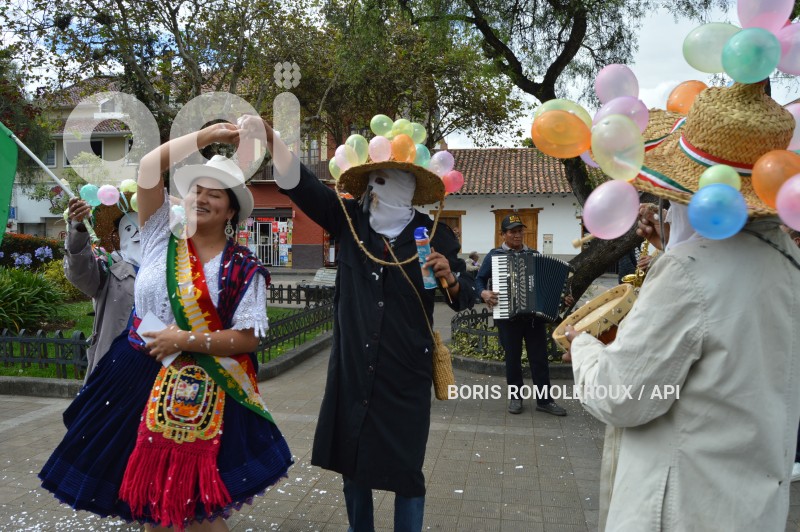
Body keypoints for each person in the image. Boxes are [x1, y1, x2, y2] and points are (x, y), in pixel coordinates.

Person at [562, 82, 800, 530]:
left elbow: (621, 396)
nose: (664, 207)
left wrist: (584, 348)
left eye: (669, 198)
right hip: (752, 506)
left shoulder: (689, 271)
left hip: (680, 507)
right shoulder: (790, 262)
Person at [39, 122, 293, 531]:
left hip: (197, 387)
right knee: (144, 500)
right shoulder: (160, 234)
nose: (203, 198)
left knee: (193, 509)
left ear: (231, 211)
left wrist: (184, 338)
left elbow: (248, 338)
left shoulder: (244, 268)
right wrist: (206, 138)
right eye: (197, 189)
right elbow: (149, 167)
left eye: (215, 193)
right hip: (133, 376)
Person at [243, 115, 476, 531]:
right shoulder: (349, 222)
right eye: (372, 181)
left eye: (385, 181)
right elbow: (303, 186)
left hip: (406, 371)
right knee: (353, 463)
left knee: (407, 470)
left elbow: (464, 298)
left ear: (409, 185)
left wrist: (452, 279)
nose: (374, 190)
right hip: (354, 368)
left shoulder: (434, 234)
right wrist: (272, 139)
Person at [474, 214, 567, 416]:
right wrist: (483, 293)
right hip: (507, 317)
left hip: (534, 318)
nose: (517, 235)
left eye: (520, 231)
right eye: (512, 231)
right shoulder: (494, 255)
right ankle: (516, 398)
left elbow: (547, 284)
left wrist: (562, 297)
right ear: (503, 234)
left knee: (539, 359)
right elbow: (479, 280)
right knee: (513, 359)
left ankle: (545, 400)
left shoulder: (534, 254)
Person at [64, 194, 140, 379]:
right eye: (129, 228)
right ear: (118, 236)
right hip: (115, 367)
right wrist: (78, 228)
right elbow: (80, 271)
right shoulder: (109, 267)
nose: (137, 233)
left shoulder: (175, 267)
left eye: (144, 226)